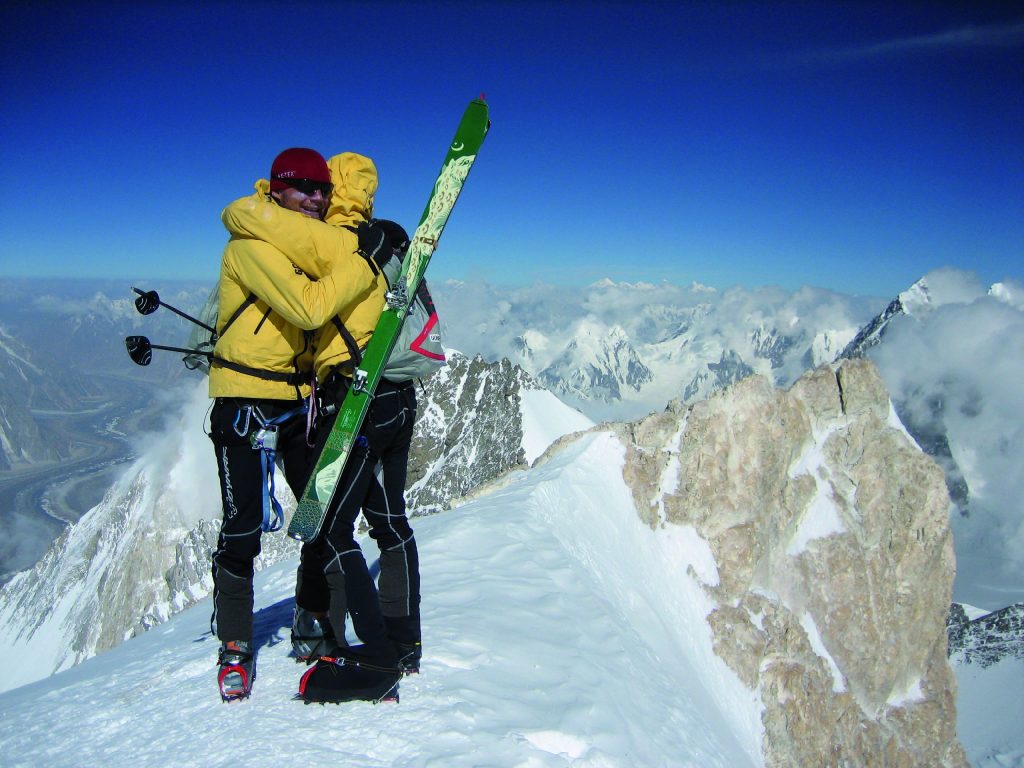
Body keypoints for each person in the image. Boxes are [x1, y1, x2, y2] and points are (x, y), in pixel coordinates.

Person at [223, 154, 423, 701]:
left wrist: (246, 210)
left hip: (351, 398)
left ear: (336, 193)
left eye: (323, 188)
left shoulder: (335, 242)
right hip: (396, 394)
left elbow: (302, 292)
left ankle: (369, 656)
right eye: (306, 189)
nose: (316, 198)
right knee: (387, 521)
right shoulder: (391, 243)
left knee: (329, 527)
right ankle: (403, 646)